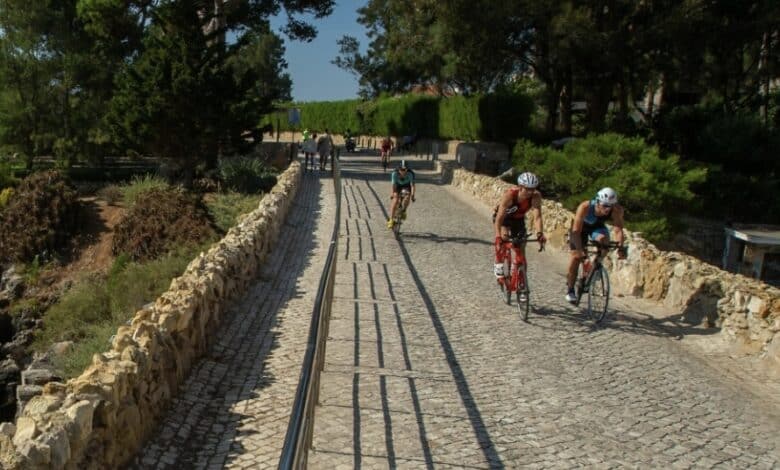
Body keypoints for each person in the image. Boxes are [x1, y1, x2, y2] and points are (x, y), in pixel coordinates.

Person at [565, 187, 627, 303]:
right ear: (597, 201)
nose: (607, 209)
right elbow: (576, 232)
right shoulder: (585, 207)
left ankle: (595, 267)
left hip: (597, 227)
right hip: (580, 229)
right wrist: (580, 251)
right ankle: (570, 289)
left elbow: (618, 230)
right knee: (576, 257)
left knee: (605, 241)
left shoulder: (616, 210)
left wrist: (621, 247)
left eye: (610, 206)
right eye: (604, 205)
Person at [493, 172, 546, 297]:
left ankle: (522, 284)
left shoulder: (535, 196)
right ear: (520, 186)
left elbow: (537, 217)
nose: (530, 192)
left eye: (532, 189)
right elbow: (499, 218)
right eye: (527, 189)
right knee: (504, 239)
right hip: (504, 219)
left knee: (521, 250)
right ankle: (499, 263)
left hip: (518, 220)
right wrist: (498, 236)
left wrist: (539, 234)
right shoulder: (510, 195)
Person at [387, 160, 416, 228]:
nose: (403, 171)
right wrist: (393, 193)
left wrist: (413, 195)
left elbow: (412, 186)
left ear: (407, 169)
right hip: (398, 185)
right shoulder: (394, 173)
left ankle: (404, 210)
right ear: (398, 168)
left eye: (404, 169)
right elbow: (393, 185)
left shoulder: (410, 174)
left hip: (407, 185)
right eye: (401, 169)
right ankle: (391, 219)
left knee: (407, 197)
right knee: (395, 200)